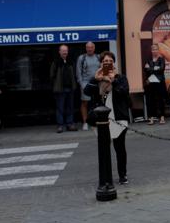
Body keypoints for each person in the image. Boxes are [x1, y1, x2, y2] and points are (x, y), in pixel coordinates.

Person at [84, 51, 130, 184]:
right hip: (101, 119)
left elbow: (124, 92)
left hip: (118, 117)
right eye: (105, 62)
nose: (107, 64)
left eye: (110, 61)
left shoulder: (120, 78)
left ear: (113, 63)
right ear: (101, 63)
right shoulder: (97, 77)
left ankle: (123, 175)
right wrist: (95, 79)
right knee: (104, 149)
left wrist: (113, 79)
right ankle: (106, 176)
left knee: (120, 148)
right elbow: (86, 91)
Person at [50, 44, 77, 133]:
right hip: (60, 89)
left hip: (70, 88)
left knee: (70, 107)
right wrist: (56, 85)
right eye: (63, 51)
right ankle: (60, 125)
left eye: (66, 50)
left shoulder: (71, 61)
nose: (65, 52)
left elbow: (74, 74)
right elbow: (51, 76)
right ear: (59, 52)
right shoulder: (55, 62)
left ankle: (69, 124)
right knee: (60, 108)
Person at [76, 42, 101, 131]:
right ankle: (85, 122)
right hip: (85, 83)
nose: (89, 49)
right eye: (88, 47)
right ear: (85, 48)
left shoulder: (98, 57)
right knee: (85, 103)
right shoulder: (81, 58)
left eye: (91, 47)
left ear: (94, 48)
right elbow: (78, 73)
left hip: (97, 83)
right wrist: (82, 85)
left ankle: (96, 121)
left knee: (97, 103)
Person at [144, 44, 167, 125]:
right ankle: (151, 118)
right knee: (151, 100)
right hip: (150, 83)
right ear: (151, 50)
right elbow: (146, 70)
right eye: (153, 49)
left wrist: (151, 69)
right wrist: (155, 68)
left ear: (158, 50)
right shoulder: (148, 60)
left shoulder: (162, 60)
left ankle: (162, 117)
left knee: (161, 100)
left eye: (156, 49)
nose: (154, 51)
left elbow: (161, 69)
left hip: (160, 83)